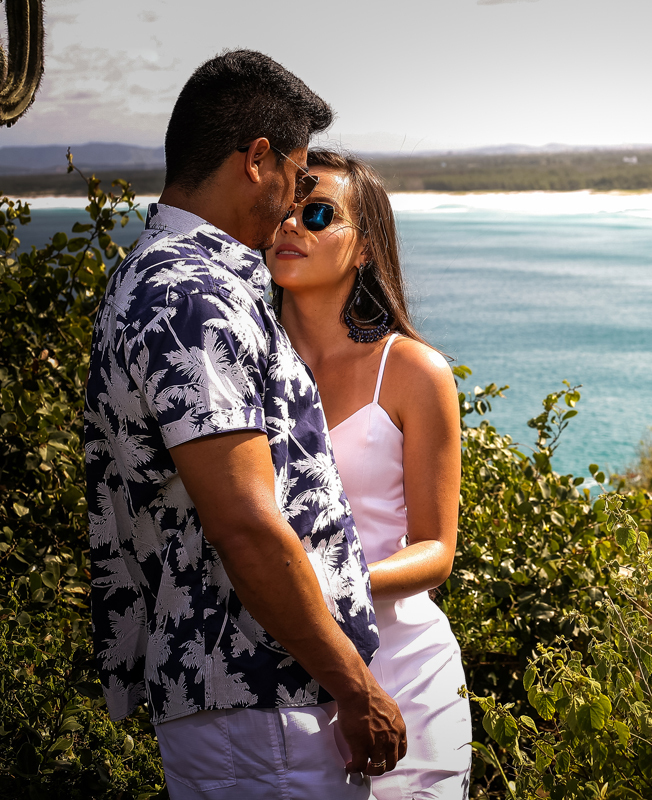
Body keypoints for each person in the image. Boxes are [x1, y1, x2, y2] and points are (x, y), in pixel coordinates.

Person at [85, 51, 405, 799]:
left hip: (251, 702)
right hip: (261, 702)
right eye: (295, 178)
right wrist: (355, 690)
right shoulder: (194, 296)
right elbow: (246, 525)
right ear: (257, 160)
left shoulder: (152, 278)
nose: (293, 206)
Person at [265, 149, 471, 798]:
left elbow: (437, 551)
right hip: (280, 686)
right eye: (282, 209)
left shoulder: (414, 373)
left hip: (405, 671)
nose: (292, 225)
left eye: (318, 212)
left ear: (362, 250)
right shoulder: (241, 369)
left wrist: (322, 588)